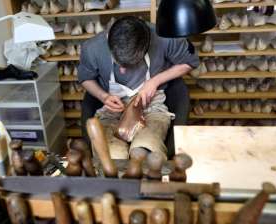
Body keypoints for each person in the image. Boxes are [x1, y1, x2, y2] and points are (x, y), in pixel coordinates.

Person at [77, 16, 199, 162]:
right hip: (112, 110)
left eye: (130, 65)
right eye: (118, 63)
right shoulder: (92, 48)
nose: (122, 71)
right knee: (113, 157)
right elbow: (85, 79)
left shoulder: (164, 38)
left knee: (143, 153)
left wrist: (155, 80)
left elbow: (190, 63)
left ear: (147, 46)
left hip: (152, 106)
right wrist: (103, 96)